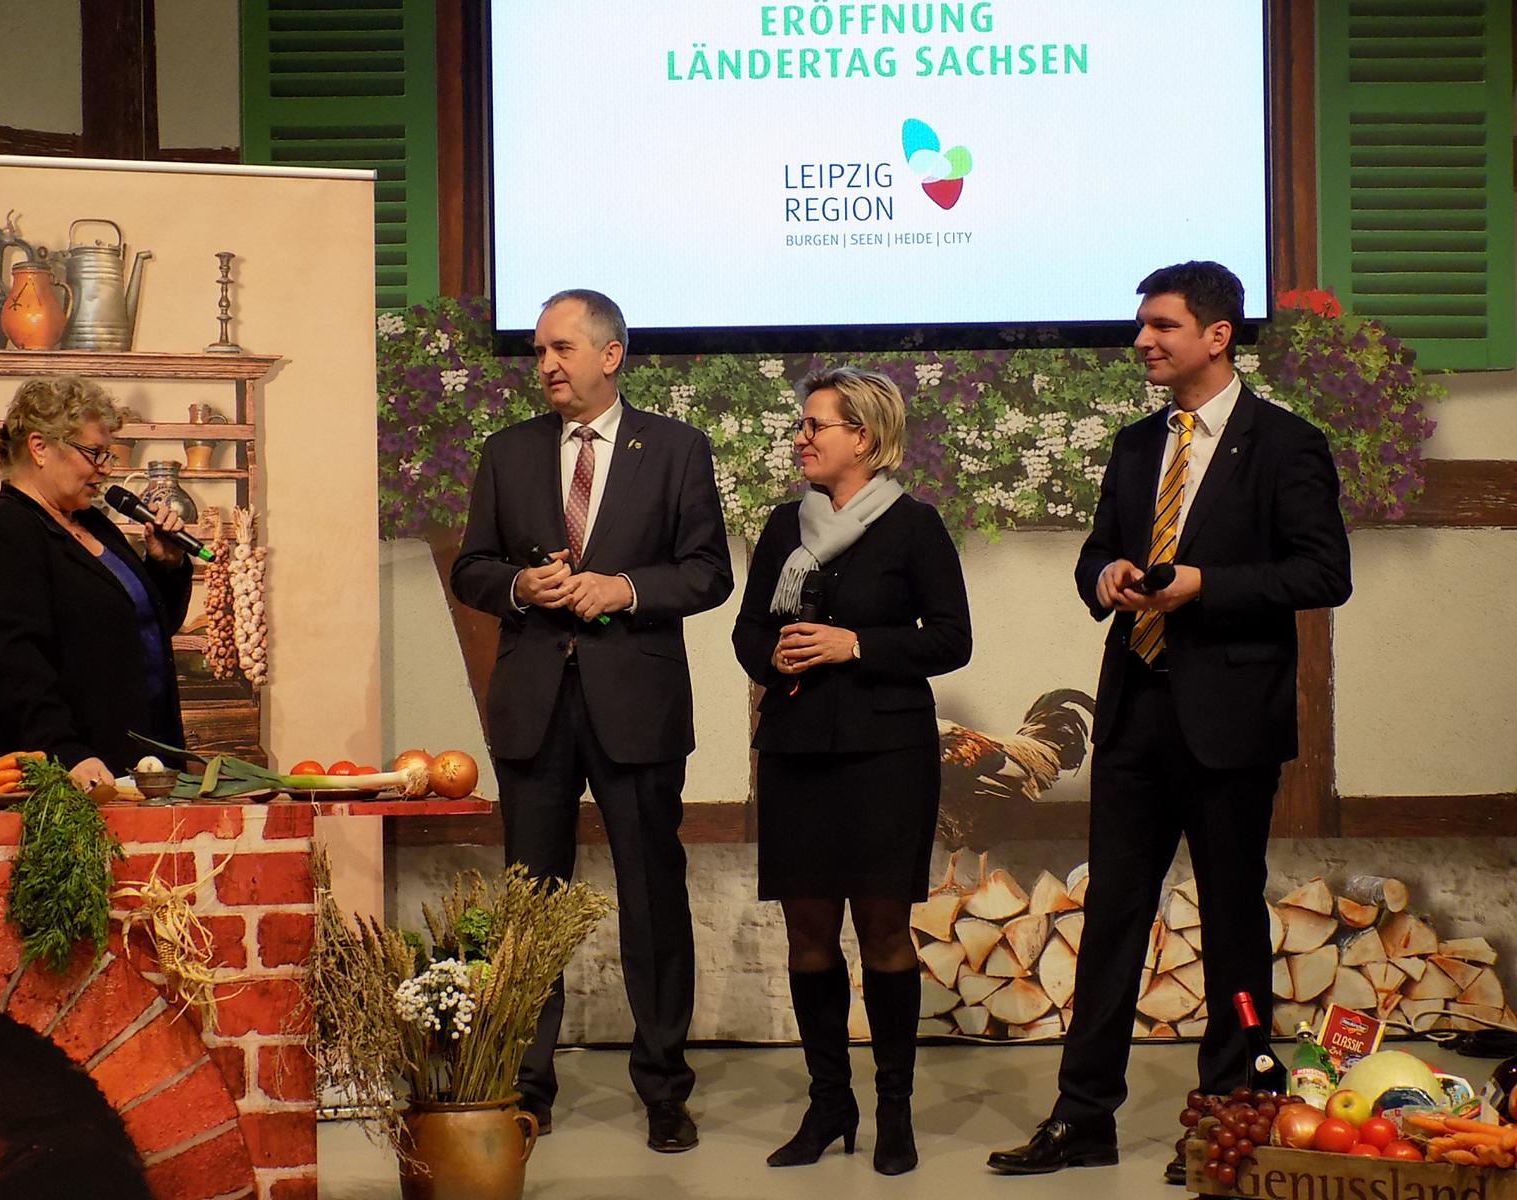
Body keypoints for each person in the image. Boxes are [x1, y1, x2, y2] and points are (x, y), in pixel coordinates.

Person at [987, 262, 1352, 1180]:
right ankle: (1084, 1118)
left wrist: (1205, 587)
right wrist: (1104, 576)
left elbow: (1323, 573)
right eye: (1141, 325)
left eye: (1162, 326)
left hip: (1230, 725)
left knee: (1232, 922)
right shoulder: (1135, 444)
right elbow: (1096, 555)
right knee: (1111, 915)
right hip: (1136, 713)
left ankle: (1229, 1120)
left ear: (1218, 335)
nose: (1142, 340)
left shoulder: (1287, 445)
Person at [450, 289, 733, 1152]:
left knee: (652, 894)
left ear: (611, 355)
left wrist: (627, 589)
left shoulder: (677, 450)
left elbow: (708, 574)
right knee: (531, 907)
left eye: (563, 348)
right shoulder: (507, 453)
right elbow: (472, 569)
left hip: (636, 706)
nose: (547, 366)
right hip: (534, 706)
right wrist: (517, 587)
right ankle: (526, 1083)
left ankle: (663, 1087)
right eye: (540, 351)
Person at [731, 367, 971, 1176]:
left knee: (884, 933)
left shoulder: (913, 526)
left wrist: (855, 644)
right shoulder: (780, 528)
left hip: (885, 756)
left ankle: (894, 1107)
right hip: (797, 749)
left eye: (816, 426)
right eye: (801, 425)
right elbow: (745, 636)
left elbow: (950, 639)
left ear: (862, 438)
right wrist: (777, 651)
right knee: (807, 936)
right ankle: (829, 1103)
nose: (801, 437)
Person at [0, 376, 193, 790]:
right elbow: (12, 664)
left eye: (107, 454)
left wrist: (165, 567)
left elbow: (144, 631)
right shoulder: (5, 531)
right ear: (40, 447)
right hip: (62, 772)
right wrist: (66, 751)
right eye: (94, 453)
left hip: (133, 760)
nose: (104, 468)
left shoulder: (94, 523)